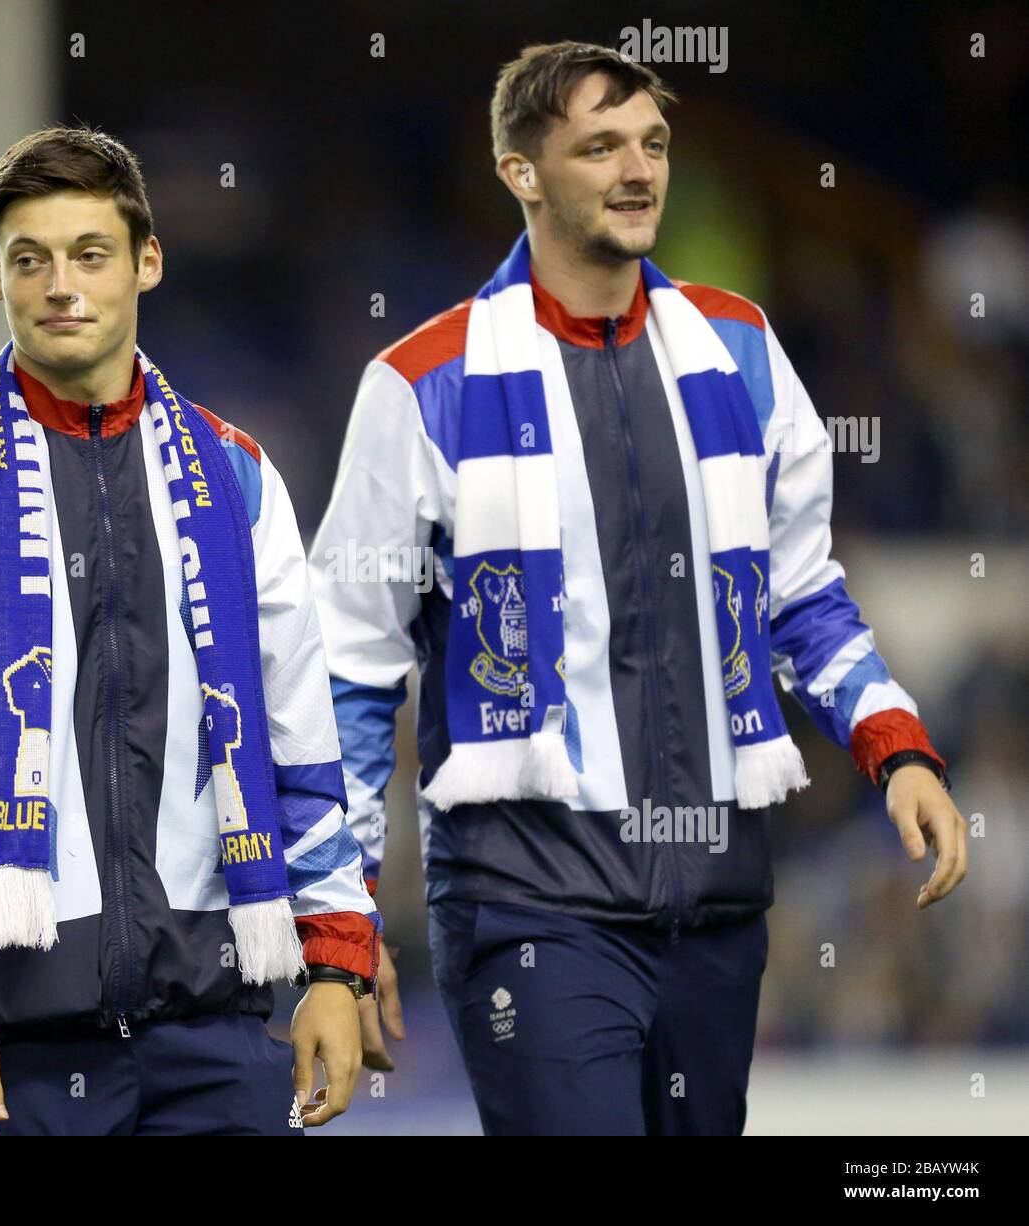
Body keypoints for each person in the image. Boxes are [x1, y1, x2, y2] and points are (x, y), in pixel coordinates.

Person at [306, 42, 966, 1136]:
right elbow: (347, 676)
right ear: (520, 171)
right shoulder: (422, 384)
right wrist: (339, 928)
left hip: (716, 903)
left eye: (652, 143)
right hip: (531, 906)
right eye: (598, 145)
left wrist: (893, 745)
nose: (637, 169)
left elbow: (796, 595)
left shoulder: (741, 350)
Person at [0, 126, 379, 1136]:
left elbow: (304, 739)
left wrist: (338, 964)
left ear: (146, 263)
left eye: (90, 254)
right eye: (29, 259)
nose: (60, 285)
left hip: (218, 1036)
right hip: (12, 1052)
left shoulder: (238, 479)